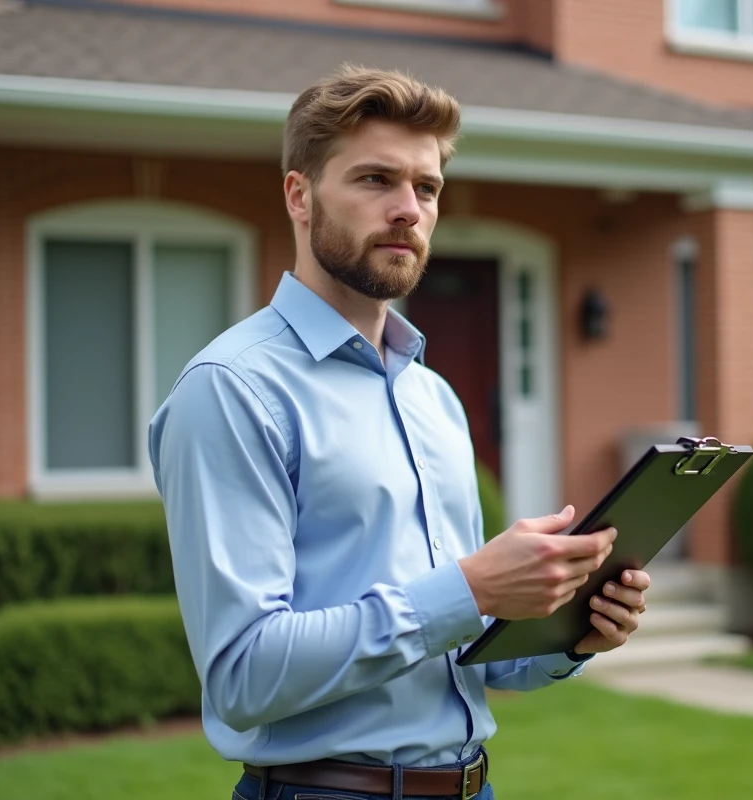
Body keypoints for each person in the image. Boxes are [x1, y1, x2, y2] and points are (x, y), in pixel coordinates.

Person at [148, 64, 651, 800]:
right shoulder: (233, 390)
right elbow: (244, 675)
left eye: (426, 187)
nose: (408, 209)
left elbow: (463, 657)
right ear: (300, 195)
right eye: (375, 180)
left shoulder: (433, 397)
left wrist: (572, 634)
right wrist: (471, 586)